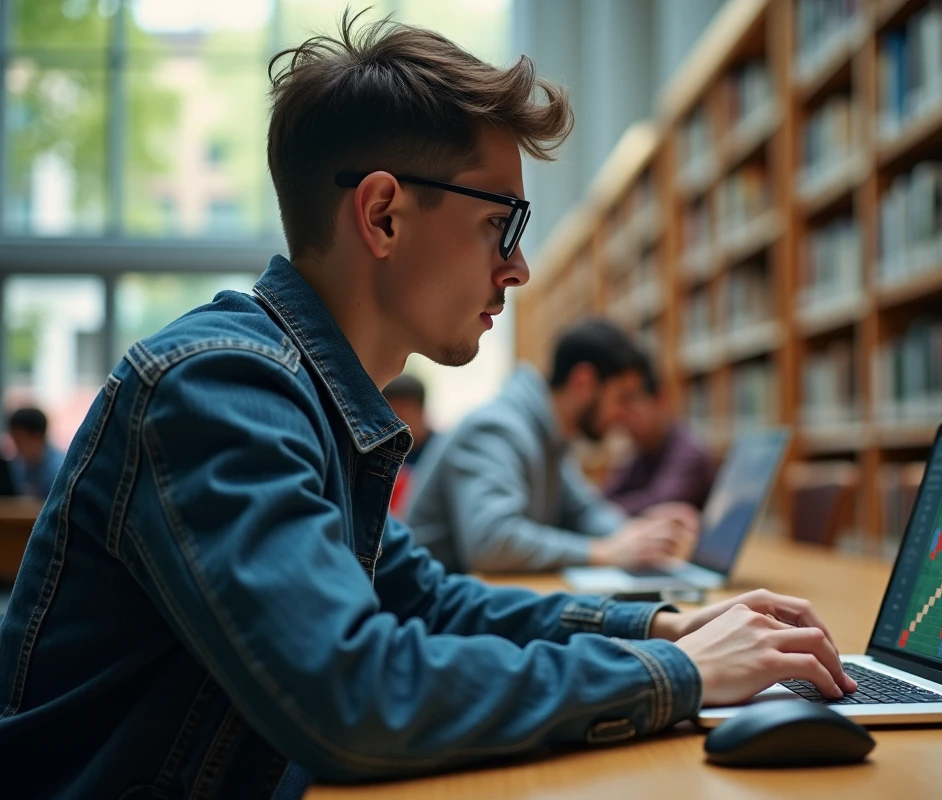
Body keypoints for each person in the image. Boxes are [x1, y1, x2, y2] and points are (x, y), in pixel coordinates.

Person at [0, 15, 854, 798]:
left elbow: (433, 604)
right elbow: (352, 694)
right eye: (504, 224)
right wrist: (681, 676)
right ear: (382, 215)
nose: (519, 269)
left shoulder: (317, 404)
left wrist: (665, 627)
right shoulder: (220, 388)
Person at [405, 319, 700, 573]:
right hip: (428, 611)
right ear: (583, 382)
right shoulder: (498, 428)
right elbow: (491, 542)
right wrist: (602, 553)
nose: (624, 415)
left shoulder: (549, 437)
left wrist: (638, 535)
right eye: (621, 398)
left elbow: (582, 511)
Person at [605, 356, 715, 515]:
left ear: (660, 401)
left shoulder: (688, 452)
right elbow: (606, 496)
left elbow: (658, 503)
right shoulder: (643, 453)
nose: (622, 415)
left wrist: (593, 513)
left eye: (631, 401)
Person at [382, 373, 436, 515]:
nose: (396, 422)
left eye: (402, 412)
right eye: (391, 414)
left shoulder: (439, 450)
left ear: (421, 410)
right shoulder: (381, 454)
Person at [5, 407, 65, 501]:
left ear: (37, 436)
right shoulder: (17, 466)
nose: (17, 447)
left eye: (19, 440)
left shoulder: (60, 468)